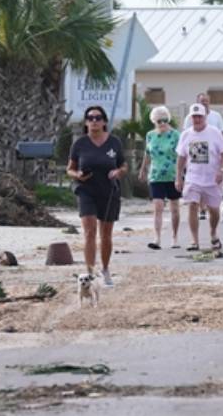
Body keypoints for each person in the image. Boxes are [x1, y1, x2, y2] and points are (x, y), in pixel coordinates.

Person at [67, 105, 127, 287]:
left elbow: (123, 166)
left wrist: (118, 172)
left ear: (104, 122)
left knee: (106, 234)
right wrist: (77, 175)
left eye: (98, 118)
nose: (94, 121)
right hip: (86, 190)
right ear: (86, 122)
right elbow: (70, 168)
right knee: (89, 231)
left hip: (109, 191)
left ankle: (106, 269)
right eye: (90, 118)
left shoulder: (114, 142)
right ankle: (90, 270)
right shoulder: (79, 144)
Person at [175, 103, 223, 251]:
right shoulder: (186, 135)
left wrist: (222, 170)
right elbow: (181, 157)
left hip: (212, 178)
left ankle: (213, 233)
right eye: (194, 117)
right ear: (190, 118)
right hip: (193, 178)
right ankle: (194, 241)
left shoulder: (214, 132)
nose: (197, 119)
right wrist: (178, 177)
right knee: (192, 205)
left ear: (205, 117)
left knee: (213, 209)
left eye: (199, 116)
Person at [138, 105, 181, 250]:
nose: (162, 123)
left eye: (164, 120)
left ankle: (175, 237)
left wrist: (182, 174)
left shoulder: (176, 135)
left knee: (174, 208)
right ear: (154, 121)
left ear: (168, 119)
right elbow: (147, 153)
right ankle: (157, 239)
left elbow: (182, 155)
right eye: (158, 121)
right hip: (156, 175)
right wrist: (143, 169)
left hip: (173, 175)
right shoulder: (150, 135)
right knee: (158, 206)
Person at [189, 92, 223, 219]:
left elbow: (222, 133)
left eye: (206, 101)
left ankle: (214, 207)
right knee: (198, 183)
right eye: (202, 101)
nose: (204, 103)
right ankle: (202, 208)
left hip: (214, 152)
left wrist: (221, 151)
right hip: (198, 149)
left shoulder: (216, 116)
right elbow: (187, 135)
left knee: (213, 184)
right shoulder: (191, 117)